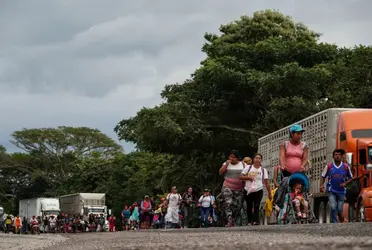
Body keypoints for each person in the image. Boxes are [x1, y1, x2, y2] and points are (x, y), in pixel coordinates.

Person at [320, 149, 353, 223]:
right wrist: (321, 185)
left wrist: (345, 183)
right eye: (336, 155)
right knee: (333, 206)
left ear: (341, 156)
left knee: (340, 209)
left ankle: (341, 220)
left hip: (341, 191)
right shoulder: (329, 166)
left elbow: (351, 178)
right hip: (331, 190)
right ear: (333, 156)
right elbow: (322, 176)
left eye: (339, 155)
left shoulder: (345, 166)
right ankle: (335, 223)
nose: (337, 156)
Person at [240, 153, 272, 225]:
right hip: (248, 190)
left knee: (257, 205)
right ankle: (249, 221)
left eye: (259, 158)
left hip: (259, 189)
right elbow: (241, 177)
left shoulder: (263, 170)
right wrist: (248, 177)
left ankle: (256, 221)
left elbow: (267, 182)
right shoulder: (248, 168)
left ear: (261, 160)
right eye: (256, 158)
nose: (257, 160)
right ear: (253, 159)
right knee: (249, 205)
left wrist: (270, 193)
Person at [217, 150, 246, 227]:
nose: (231, 159)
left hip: (239, 188)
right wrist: (226, 165)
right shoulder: (226, 163)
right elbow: (220, 172)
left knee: (237, 206)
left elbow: (247, 174)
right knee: (228, 202)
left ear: (237, 158)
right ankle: (229, 220)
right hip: (227, 186)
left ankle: (233, 219)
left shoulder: (243, 165)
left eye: (233, 157)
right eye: (230, 157)